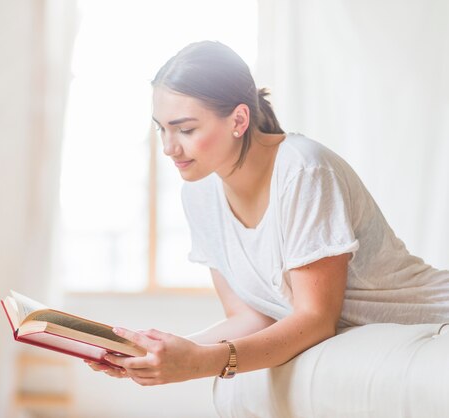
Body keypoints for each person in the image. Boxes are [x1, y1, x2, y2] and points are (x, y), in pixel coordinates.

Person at [85, 40, 449, 386]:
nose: (167, 147)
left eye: (186, 129)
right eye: (161, 128)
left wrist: (199, 362)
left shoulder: (304, 171)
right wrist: (156, 352)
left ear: (239, 120)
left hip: (435, 319)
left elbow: (315, 319)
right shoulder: (199, 193)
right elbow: (251, 317)